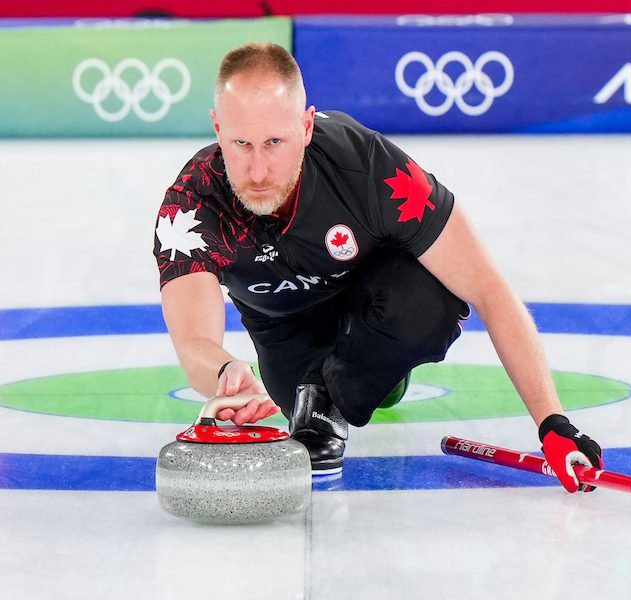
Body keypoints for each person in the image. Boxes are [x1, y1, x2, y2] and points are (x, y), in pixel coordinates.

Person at [154, 42, 602, 489]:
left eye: (275, 142)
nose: (257, 171)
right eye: (241, 144)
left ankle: (364, 377)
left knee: (431, 304)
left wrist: (553, 423)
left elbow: (487, 287)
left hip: (377, 300)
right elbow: (194, 340)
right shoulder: (191, 206)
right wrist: (225, 372)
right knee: (300, 398)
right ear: (217, 128)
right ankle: (342, 384)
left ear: (306, 127)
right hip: (286, 332)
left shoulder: (369, 167)